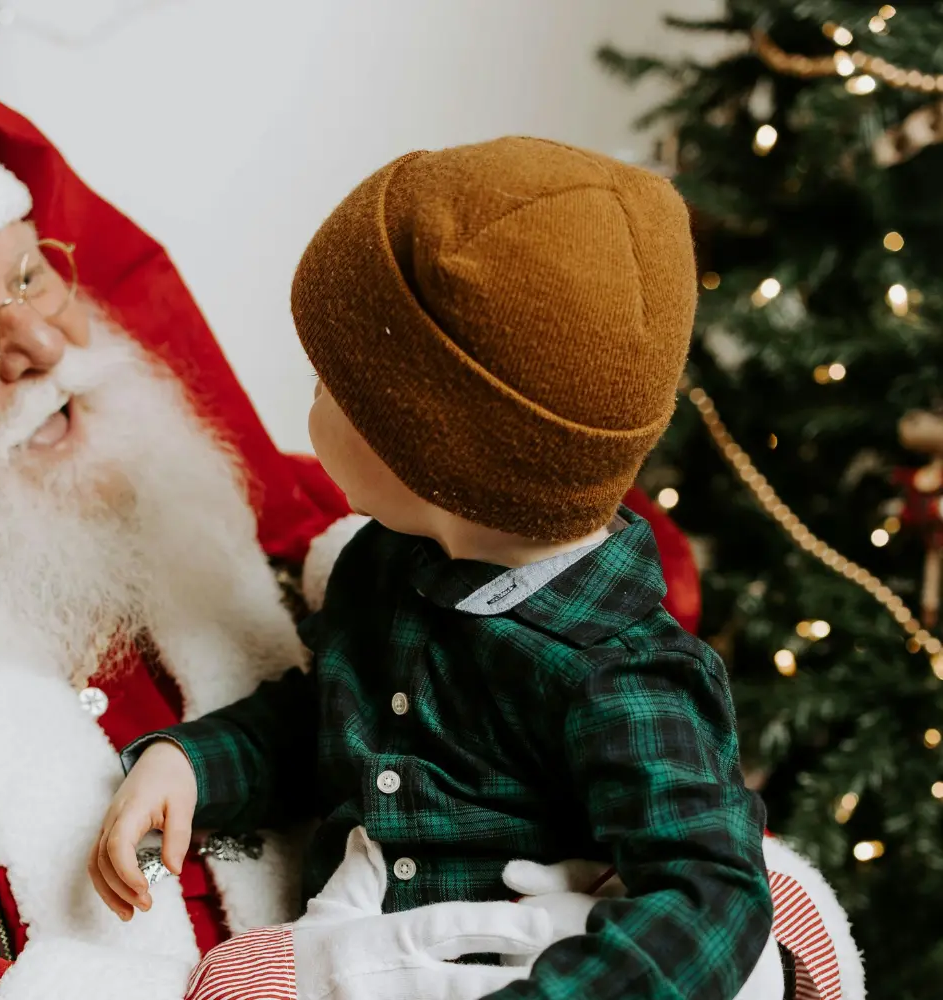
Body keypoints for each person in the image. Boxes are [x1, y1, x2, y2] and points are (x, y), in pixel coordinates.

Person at [0, 47, 854, 1000]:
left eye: (28, 274)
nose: (44, 343)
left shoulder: (257, 505)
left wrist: (723, 921)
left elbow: (567, 647)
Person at [93, 141, 849, 1000]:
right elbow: (328, 722)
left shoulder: (622, 673)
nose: (308, 402)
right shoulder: (381, 566)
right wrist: (192, 764)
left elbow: (711, 899)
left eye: (327, 383)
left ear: (430, 451)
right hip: (366, 946)